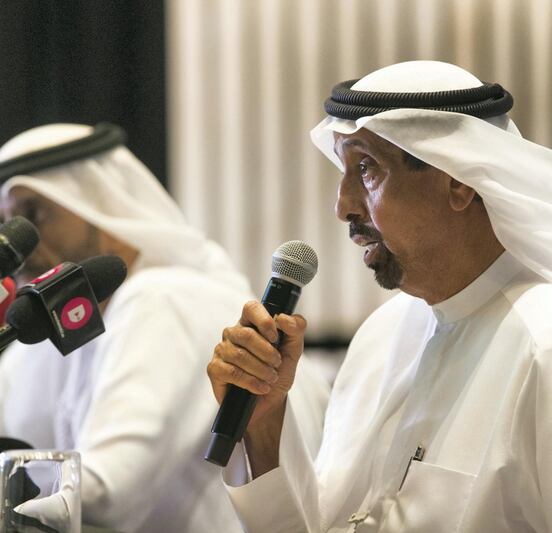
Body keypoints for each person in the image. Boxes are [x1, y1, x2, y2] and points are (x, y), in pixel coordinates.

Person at [210, 61, 552, 532]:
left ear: (458, 181)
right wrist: (265, 423)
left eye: (367, 169)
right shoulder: (383, 336)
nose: (343, 206)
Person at [0, 123, 329, 532]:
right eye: (8, 224)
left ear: (100, 202)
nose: (21, 249)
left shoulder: (162, 298)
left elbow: (106, 493)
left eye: (33, 215)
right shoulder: (60, 321)